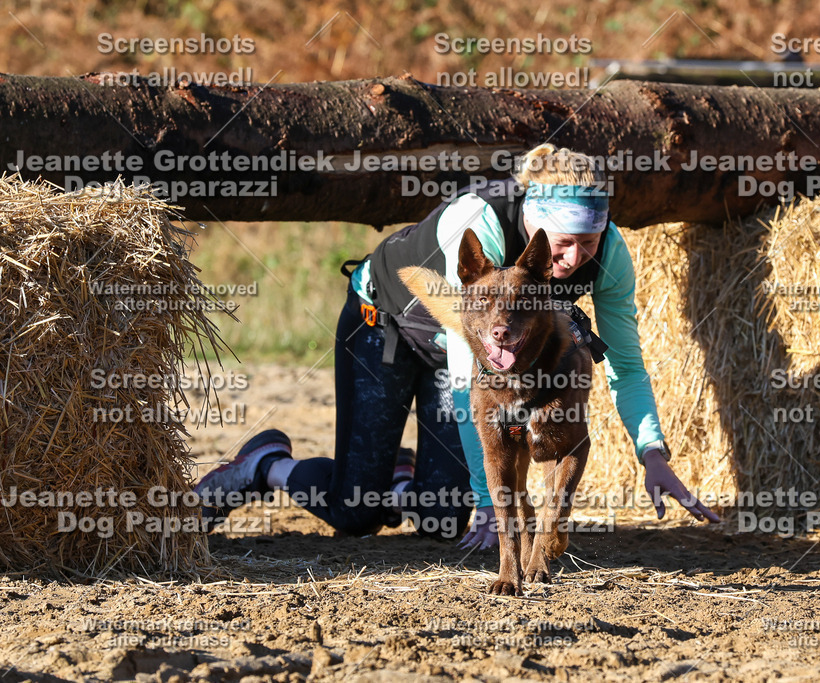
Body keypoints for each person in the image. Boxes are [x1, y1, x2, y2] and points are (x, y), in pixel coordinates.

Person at [194, 143, 719, 546]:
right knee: (354, 514)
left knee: (443, 522)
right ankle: (265, 464)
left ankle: (400, 480)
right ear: (534, 218)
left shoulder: (609, 255)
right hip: (389, 326)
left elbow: (625, 363)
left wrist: (651, 450)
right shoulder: (479, 222)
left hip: (465, 354)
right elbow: (470, 376)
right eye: (563, 243)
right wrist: (495, 502)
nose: (576, 258)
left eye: (590, 241)